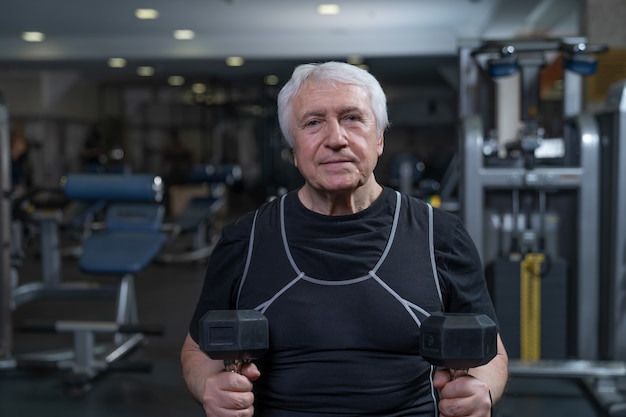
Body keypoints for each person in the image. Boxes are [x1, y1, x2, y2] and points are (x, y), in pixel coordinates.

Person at [181, 61, 508, 417]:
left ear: (379, 137)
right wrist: (210, 388)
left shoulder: (441, 236)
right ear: (293, 149)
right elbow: (197, 350)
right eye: (313, 123)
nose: (335, 139)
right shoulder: (244, 240)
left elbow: (492, 353)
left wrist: (482, 391)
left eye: (352, 118)